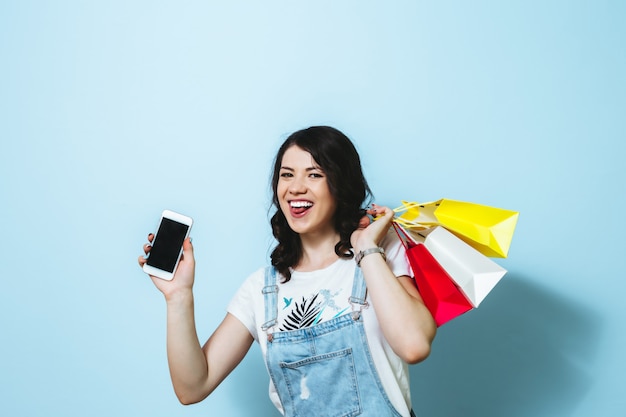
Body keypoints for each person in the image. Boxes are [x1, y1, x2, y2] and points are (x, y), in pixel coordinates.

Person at [138, 126, 437, 417]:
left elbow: (414, 346)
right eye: (286, 175)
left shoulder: (379, 256)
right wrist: (178, 296)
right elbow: (192, 388)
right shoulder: (261, 289)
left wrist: (366, 248)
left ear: (341, 185)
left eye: (315, 175)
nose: (296, 188)